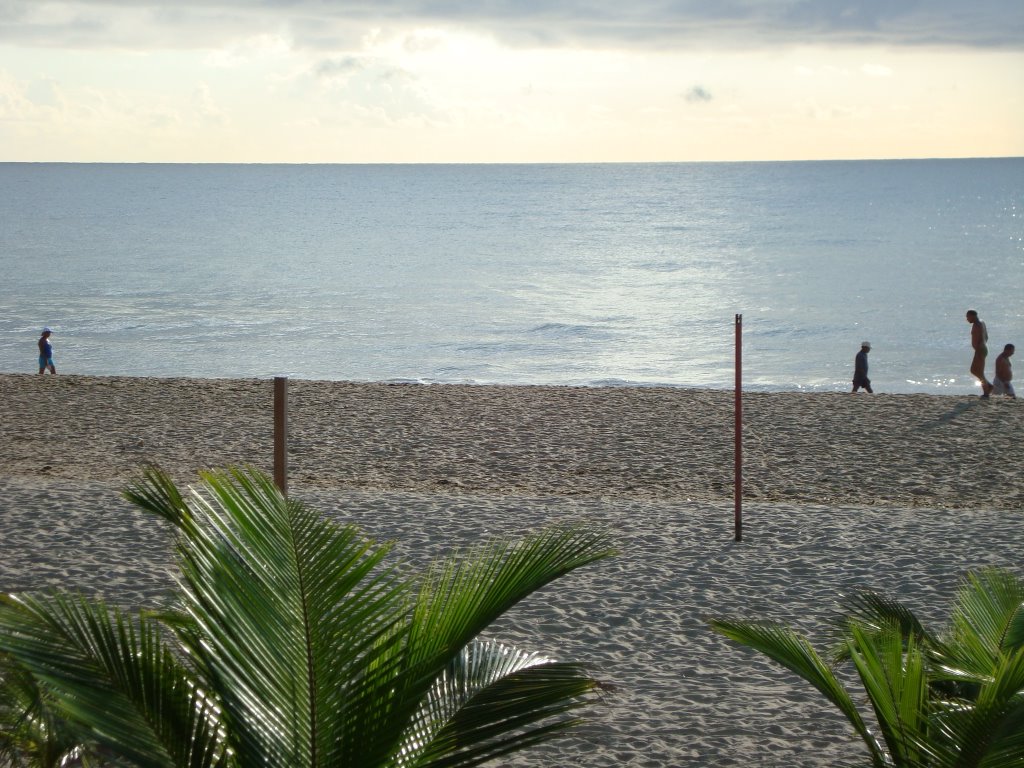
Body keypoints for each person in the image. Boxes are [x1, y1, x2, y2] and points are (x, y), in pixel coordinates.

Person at [965, 310, 991, 397]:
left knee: (977, 371)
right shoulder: (982, 322)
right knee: (975, 370)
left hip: (980, 350)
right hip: (982, 349)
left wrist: (979, 348)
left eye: (968, 317)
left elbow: (980, 339)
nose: (967, 319)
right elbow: (986, 337)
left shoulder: (977, 325)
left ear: (972, 316)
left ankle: (987, 391)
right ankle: (988, 386)